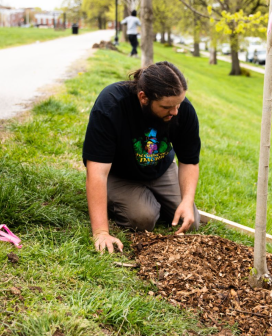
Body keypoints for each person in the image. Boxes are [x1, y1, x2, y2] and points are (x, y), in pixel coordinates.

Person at [83, 61, 201, 253]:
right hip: (118, 174)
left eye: (178, 104)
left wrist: (187, 201)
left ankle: (154, 200)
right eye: (167, 107)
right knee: (143, 218)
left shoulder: (182, 110)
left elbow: (189, 161)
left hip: (160, 169)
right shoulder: (111, 104)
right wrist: (101, 232)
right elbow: (96, 171)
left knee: (191, 221)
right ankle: (128, 200)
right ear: (143, 97)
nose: (175, 112)